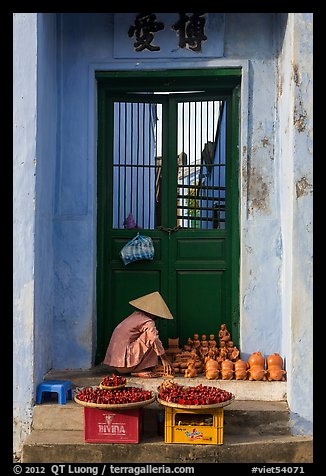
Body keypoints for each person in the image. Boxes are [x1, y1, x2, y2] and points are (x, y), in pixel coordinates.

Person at [103, 291, 174, 378]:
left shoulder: (134, 316)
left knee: (151, 336)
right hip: (126, 366)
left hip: (117, 364)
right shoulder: (148, 321)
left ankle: (137, 368)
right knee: (152, 337)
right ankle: (140, 369)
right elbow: (154, 339)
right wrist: (164, 358)